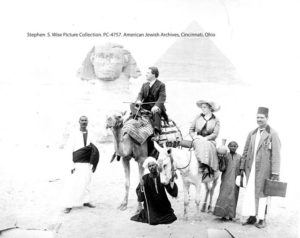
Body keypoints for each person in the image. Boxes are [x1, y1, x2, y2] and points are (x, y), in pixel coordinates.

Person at [240, 107, 281, 228]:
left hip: (264, 170)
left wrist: (275, 172)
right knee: (250, 193)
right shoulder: (252, 133)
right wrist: (242, 167)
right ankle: (252, 216)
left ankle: (262, 219)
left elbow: (276, 154)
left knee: (263, 194)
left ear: (267, 118)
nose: (259, 120)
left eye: (262, 118)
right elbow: (245, 150)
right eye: (257, 117)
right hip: (251, 169)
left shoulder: (273, 133)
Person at [63, 116, 99, 214]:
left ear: (88, 122)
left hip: (87, 163)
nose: (84, 122)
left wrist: (93, 162)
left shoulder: (91, 134)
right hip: (76, 162)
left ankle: (86, 201)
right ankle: (68, 205)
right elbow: (68, 150)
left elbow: (94, 149)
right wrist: (71, 165)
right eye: (82, 120)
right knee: (72, 184)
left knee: (86, 182)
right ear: (79, 122)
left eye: (85, 120)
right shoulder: (74, 134)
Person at [130, 157, 178, 225]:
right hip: (151, 205)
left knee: (172, 218)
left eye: (153, 165)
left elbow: (170, 189)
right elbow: (141, 197)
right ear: (148, 168)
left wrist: (172, 180)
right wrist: (141, 186)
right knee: (153, 220)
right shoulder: (145, 178)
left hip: (163, 204)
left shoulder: (162, 176)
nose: (151, 167)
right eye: (150, 166)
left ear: (156, 165)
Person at [189, 100, 220, 180]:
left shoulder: (216, 119)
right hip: (198, 138)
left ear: (210, 108)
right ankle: (200, 164)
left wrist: (206, 138)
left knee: (207, 144)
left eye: (205, 107)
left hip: (209, 140)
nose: (203, 109)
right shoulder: (198, 117)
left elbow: (215, 133)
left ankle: (206, 166)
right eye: (202, 107)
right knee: (199, 143)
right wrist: (195, 137)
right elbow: (191, 130)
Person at [135, 66, 168, 141]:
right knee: (133, 108)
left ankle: (157, 133)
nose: (146, 74)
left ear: (153, 74)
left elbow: (162, 97)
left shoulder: (161, 85)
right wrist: (139, 100)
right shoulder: (144, 85)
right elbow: (140, 94)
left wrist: (156, 106)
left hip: (155, 107)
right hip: (145, 107)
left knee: (156, 112)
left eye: (148, 73)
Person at [213, 141, 241, 221]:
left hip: (235, 180)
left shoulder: (239, 157)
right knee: (224, 196)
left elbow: (241, 169)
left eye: (235, 146)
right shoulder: (225, 156)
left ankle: (231, 216)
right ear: (228, 147)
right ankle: (223, 215)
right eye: (231, 146)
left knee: (233, 197)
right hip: (226, 179)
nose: (233, 147)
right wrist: (221, 160)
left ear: (237, 147)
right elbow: (222, 169)